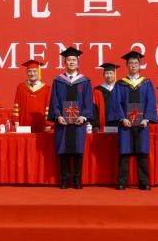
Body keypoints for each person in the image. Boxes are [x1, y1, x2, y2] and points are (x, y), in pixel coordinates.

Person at [110, 50, 158, 190]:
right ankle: (121, 182)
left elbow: (151, 101)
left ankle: (144, 182)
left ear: (140, 65)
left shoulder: (146, 83)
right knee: (124, 153)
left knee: (142, 153)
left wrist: (147, 118)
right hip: (126, 123)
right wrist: (122, 118)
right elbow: (116, 103)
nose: (133, 65)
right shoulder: (120, 84)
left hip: (142, 123)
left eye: (136, 63)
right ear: (126, 65)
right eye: (130, 63)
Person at [49, 47, 93, 189]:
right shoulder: (58, 81)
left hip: (79, 122)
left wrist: (84, 116)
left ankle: (77, 180)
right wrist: (58, 115)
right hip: (63, 121)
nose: (71, 62)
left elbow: (88, 101)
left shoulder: (84, 81)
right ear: (65, 62)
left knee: (78, 150)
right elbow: (54, 100)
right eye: (69, 60)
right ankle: (65, 180)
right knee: (64, 150)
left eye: (74, 60)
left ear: (78, 63)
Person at [14, 59, 50, 131]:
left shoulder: (46, 88)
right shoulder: (21, 87)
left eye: (34, 71)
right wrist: (16, 121)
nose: (32, 74)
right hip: (24, 123)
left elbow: (48, 106)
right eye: (29, 71)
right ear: (27, 72)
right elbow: (16, 104)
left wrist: (48, 123)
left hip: (41, 123)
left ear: (38, 72)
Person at [92, 63, 119, 131]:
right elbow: (94, 109)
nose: (109, 75)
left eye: (111, 73)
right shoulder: (97, 90)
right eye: (107, 73)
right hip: (103, 124)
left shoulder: (120, 88)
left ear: (114, 74)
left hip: (119, 123)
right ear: (103, 75)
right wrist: (95, 124)